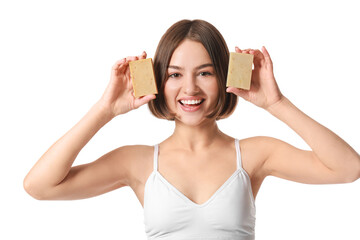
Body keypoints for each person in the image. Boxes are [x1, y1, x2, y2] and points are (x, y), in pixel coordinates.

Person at [23, 19, 360, 240]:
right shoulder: (137, 162)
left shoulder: (256, 153)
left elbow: (348, 168)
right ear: (157, 80)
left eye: (205, 73)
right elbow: (39, 186)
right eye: (174, 74)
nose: (190, 89)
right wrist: (104, 110)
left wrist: (276, 104)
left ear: (225, 77)